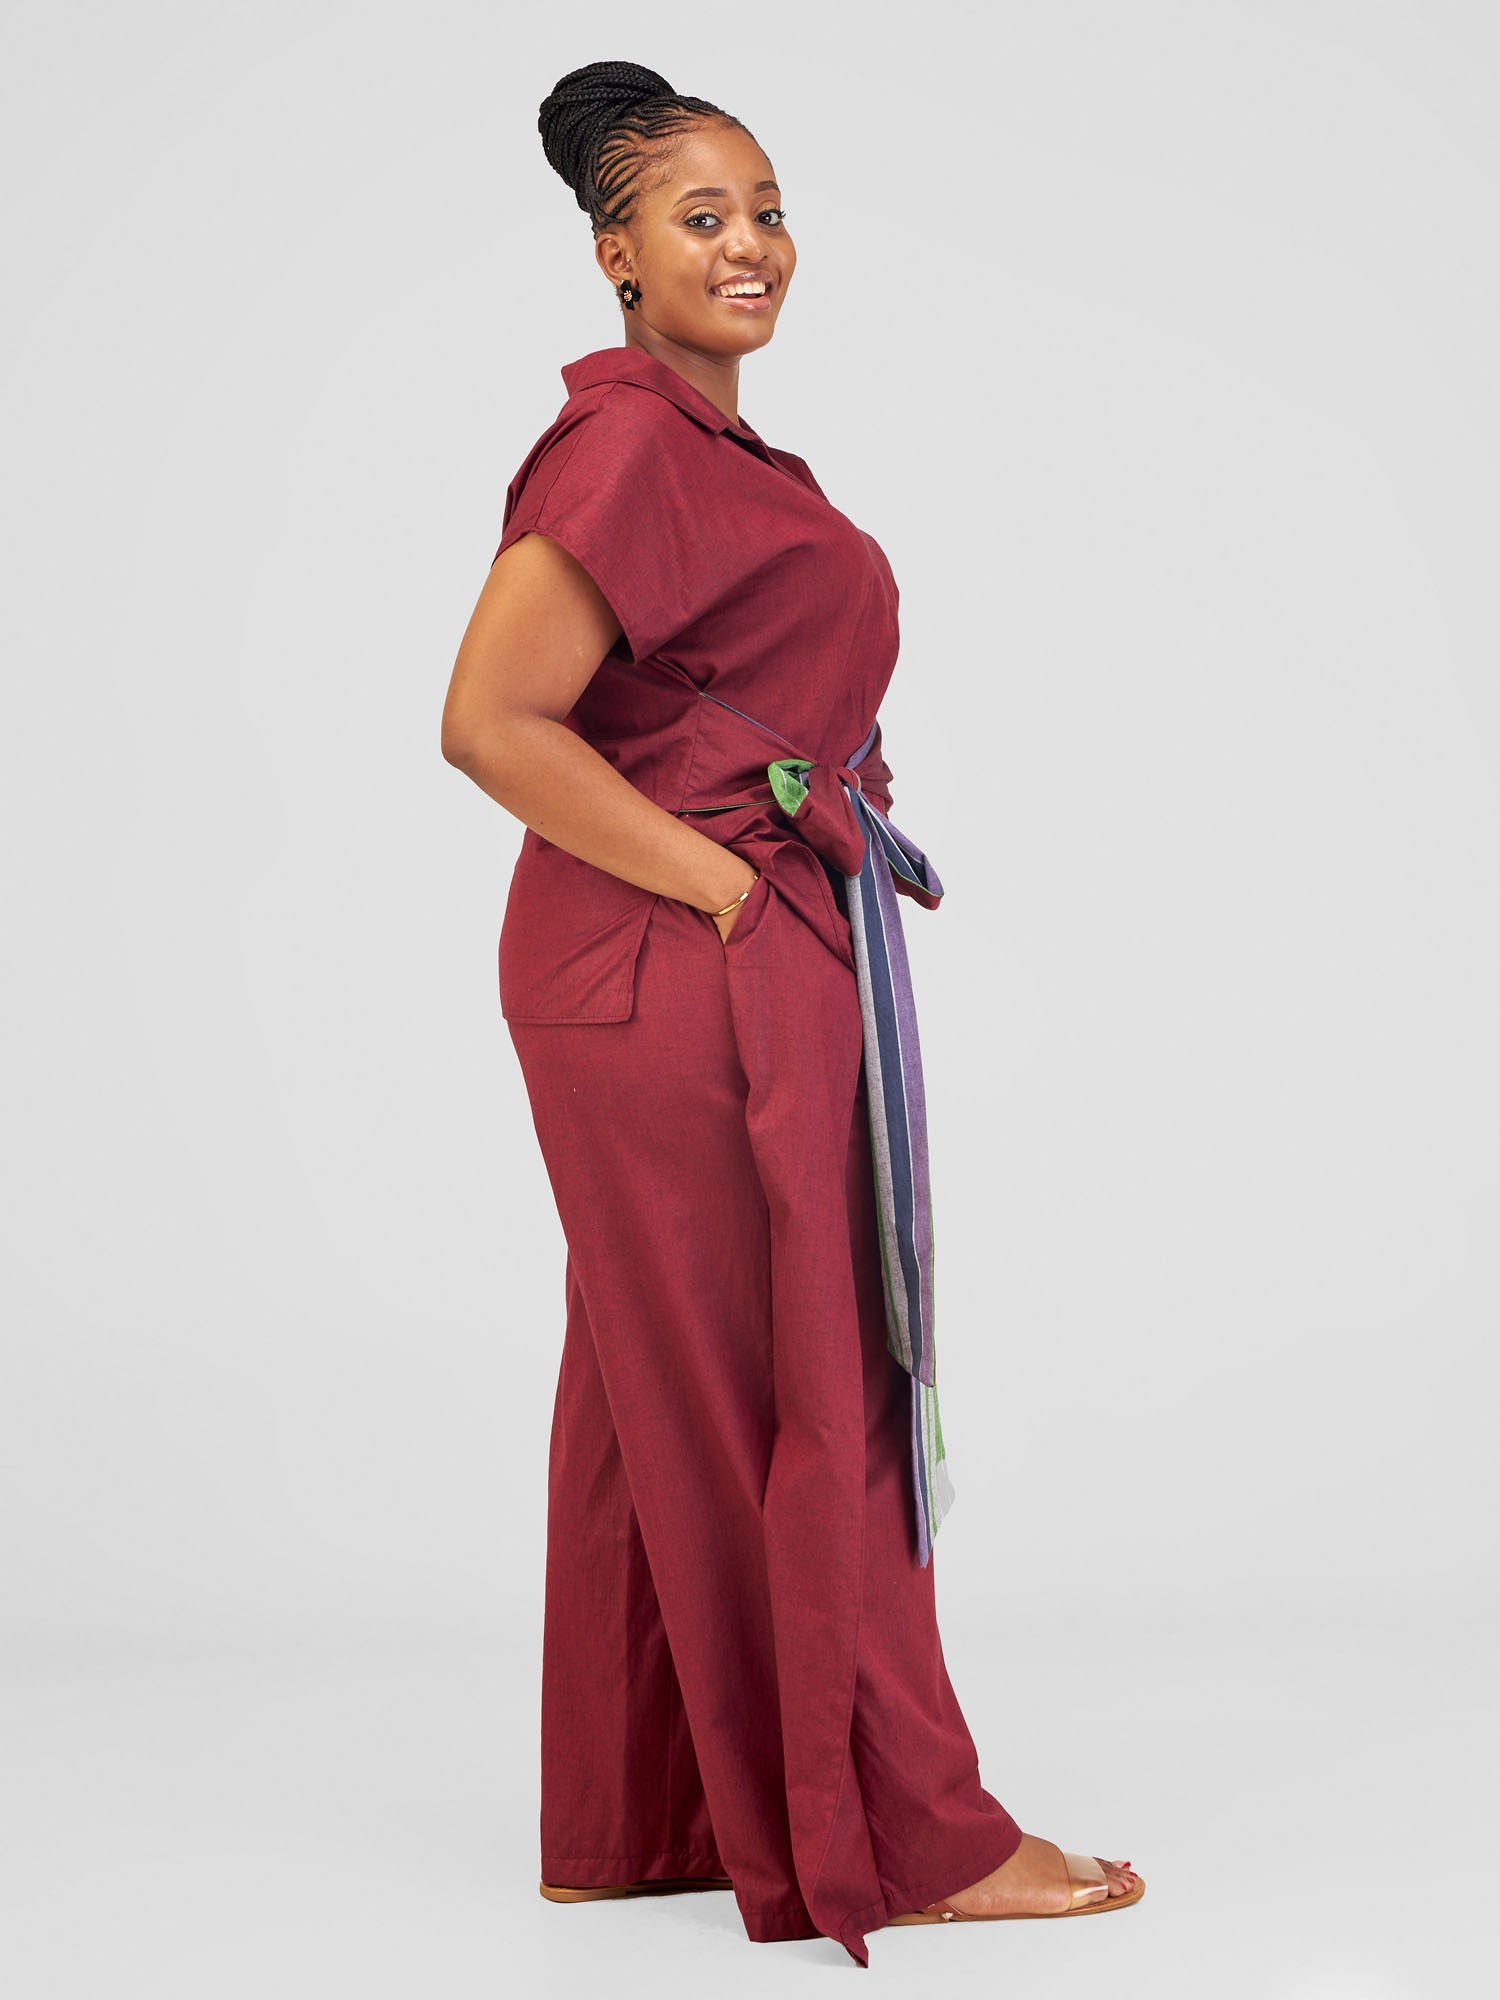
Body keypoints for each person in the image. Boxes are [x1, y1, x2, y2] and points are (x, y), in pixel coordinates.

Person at [441, 59, 1144, 1969]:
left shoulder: (711, 451)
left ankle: (634, 1819)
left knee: (648, 1380)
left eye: (766, 209)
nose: (750, 244)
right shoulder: (624, 451)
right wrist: (729, 885)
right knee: (806, 1377)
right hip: (678, 962)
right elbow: (488, 721)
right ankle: (905, 1834)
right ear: (616, 256)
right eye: (702, 217)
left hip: (672, 952)